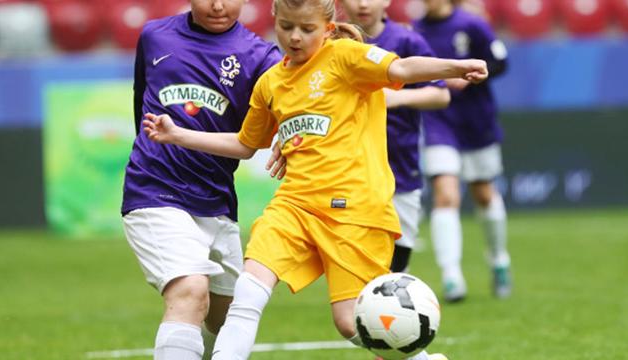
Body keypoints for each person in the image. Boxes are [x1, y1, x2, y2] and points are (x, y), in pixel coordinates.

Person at [140, 0, 488, 356]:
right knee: (247, 289)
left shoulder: (346, 57)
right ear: (275, 21)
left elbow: (400, 68)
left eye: (307, 29)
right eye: (287, 26)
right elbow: (245, 145)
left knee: (351, 322)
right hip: (294, 206)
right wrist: (177, 134)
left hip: (354, 210)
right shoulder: (270, 82)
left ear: (328, 28)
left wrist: (456, 66)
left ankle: (420, 356)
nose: (295, 37)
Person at [119, 0, 282, 358]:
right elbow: (141, 106)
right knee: (190, 292)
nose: (218, 5)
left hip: (216, 199)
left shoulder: (261, 57)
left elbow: (287, 113)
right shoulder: (155, 36)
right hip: (155, 189)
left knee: (224, 319)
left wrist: (287, 136)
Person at [339, 0, 451, 273]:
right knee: (355, 262)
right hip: (347, 167)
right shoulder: (331, 42)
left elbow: (441, 94)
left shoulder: (406, 40)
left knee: (397, 263)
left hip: (398, 162)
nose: (363, 4)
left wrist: (398, 98)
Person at [414, 0, 512, 302]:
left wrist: (473, 75)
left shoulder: (472, 24)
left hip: (476, 122)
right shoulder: (416, 32)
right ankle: (451, 277)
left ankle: (499, 260)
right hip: (438, 121)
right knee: (445, 195)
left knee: (484, 194)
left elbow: (500, 61)